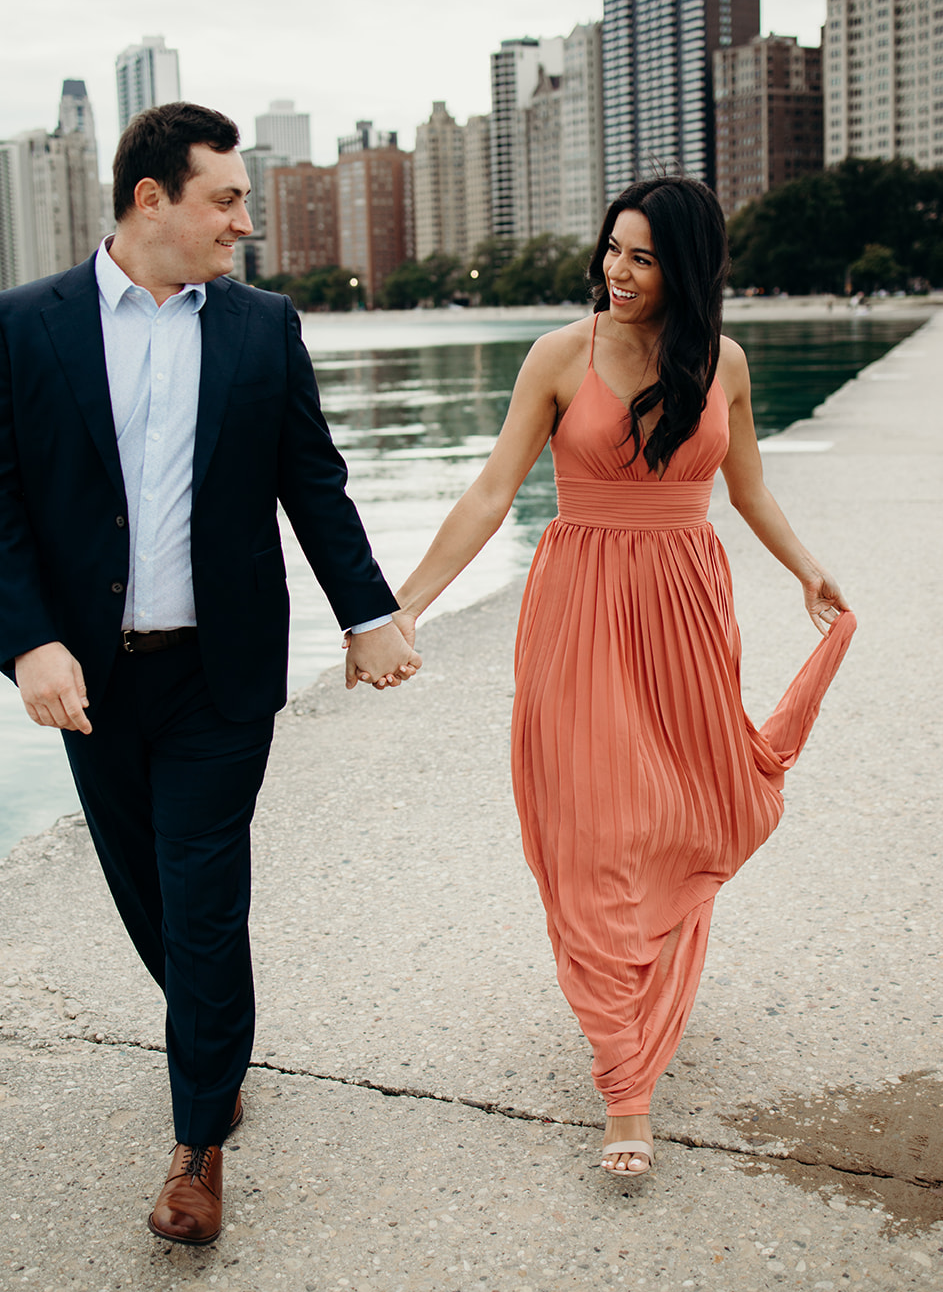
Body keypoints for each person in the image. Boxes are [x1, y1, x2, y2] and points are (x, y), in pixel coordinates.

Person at [0, 102, 418, 1244]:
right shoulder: (20, 325)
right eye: (225, 199)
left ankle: (195, 1147)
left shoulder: (262, 327)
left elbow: (312, 481)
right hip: (88, 682)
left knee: (204, 898)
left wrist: (368, 611)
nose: (243, 223)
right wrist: (28, 641)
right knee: (148, 893)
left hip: (222, 674)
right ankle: (218, 1046)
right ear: (150, 199)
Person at [352, 176, 855, 1178]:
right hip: (578, 606)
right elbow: (491, 490)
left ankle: (647, 980)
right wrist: (398, 605)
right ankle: (624, 1079)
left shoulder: (726, 363)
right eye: (610, 251)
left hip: (684, 610)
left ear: (688, 266)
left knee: (677, 811)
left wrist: (805, 567)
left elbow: (744, 487)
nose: (615, 274)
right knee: (586, 826)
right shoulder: (557, 356)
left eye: (641, 256)